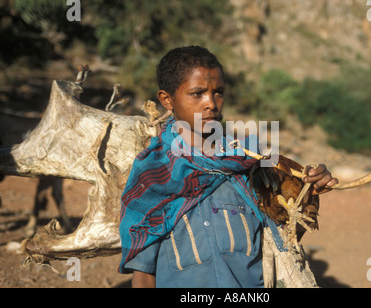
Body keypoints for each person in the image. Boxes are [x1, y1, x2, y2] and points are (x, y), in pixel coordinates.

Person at [118, 46, 338, 288]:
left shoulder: (251, 165)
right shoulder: (153, 177)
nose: (211, 103)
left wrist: (309, 191)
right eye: (197, 93)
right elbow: (143, 275)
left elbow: (286, 236)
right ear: (167, 100)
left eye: (218, 92)